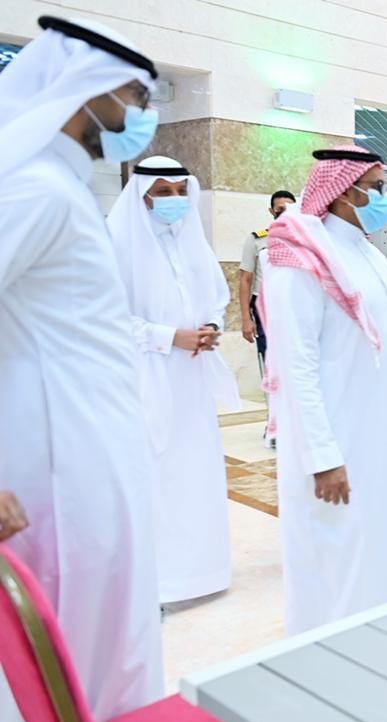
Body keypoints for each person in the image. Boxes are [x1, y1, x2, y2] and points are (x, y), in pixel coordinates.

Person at [0, 16, 164, 722]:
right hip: (62, 469)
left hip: (92, 453)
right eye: (136, 96)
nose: (141, 115)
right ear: (86, 91)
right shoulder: (36, 190)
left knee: (109, 641)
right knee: (73, 658)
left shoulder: (64, 187)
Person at [262, 146, 387, 634]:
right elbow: (296, 365)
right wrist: (322, 456)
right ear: (342, 193)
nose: (383, 196)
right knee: (340, 549)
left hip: (385, 430)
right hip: (339, 435)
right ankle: (331, 645)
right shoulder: (300, 259)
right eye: (376, 187)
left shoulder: (368, 253)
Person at [107, 155, 240, 605]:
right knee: (153, 473)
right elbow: (106, 317)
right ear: (141, 197)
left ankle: (202, 571)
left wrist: (210, 327)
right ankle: (156, 581)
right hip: (142, 376)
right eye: (163, 192)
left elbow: (217, 296)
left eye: (181, 191)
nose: (175, 200)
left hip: (191, 377)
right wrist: (168, 337)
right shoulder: (115, 244)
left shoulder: (191, 241)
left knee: (195, 471)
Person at [241, 189, 296, 449]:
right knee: (272, 367)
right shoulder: (257, 240)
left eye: (289, 208)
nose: (284, 213)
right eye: (279, 209)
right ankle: (274, 425)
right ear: (271, 211)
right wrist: (245, 318)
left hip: (295, 308)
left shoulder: (303, 239)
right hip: (265, 310)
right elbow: (245, 279)